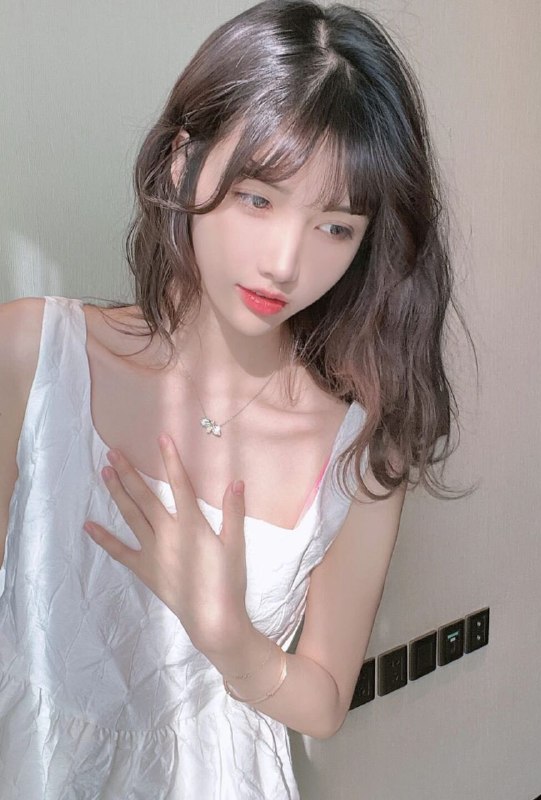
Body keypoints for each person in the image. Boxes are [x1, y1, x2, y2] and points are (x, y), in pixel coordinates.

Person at [0, 0, 473, 797]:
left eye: (336, 227)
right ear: (182, 160)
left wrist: (231, 640)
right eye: (259, 198)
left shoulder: (359, 447)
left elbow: (323, 700)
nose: (285, 262)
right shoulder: (32, 355)